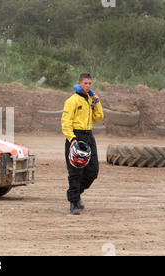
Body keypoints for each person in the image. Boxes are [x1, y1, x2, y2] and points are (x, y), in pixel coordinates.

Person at [61, 73, 104, 215]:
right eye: (85, 83)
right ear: (79, 84)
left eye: (90, 83)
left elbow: (98, 118)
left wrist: (97, 103)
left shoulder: (90, 100)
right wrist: (71, 138)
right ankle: (73, 203)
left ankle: (76, 193)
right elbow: (66, 121)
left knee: (93, 171)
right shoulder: (72, 100)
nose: (88, 86)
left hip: (89, 136)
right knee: (75, 172)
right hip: (76, 136)